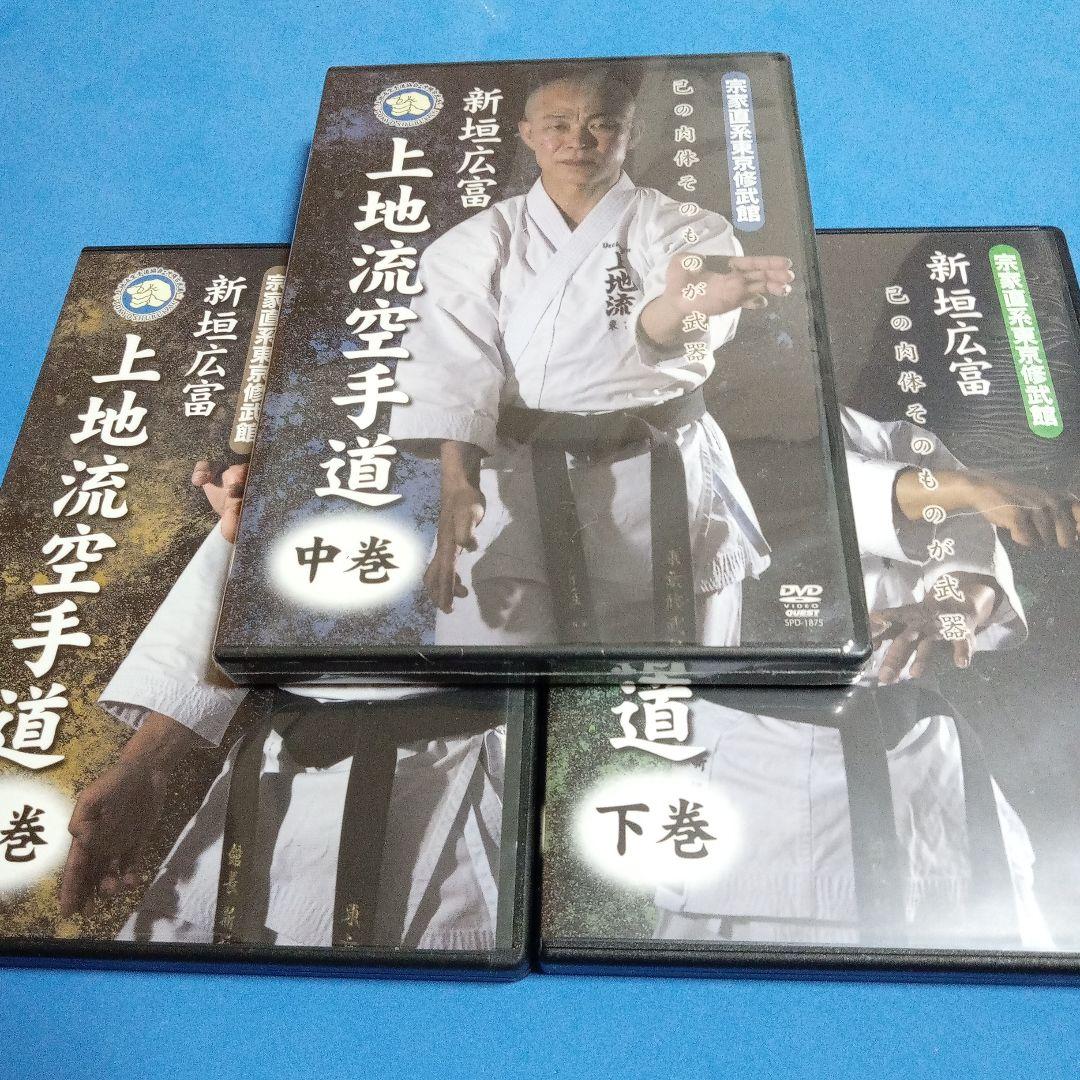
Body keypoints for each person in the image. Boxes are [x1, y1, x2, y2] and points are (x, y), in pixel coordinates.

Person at [388, 67, 796, 647]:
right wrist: (458, 484)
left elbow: (671, 328)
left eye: (601, 124)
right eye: (558, 125)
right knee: (498, 656)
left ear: (631, 132)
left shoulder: (685, 228)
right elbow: (453, 370)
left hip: (661, 467)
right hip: (524, 471)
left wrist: (683, 305)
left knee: (680, 669)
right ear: (528, 133)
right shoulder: (475, 243)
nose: (578, 140)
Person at [649, 407, 1080, 949]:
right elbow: (790, 487)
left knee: (976, 948)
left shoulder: (898, 439)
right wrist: (962, 489)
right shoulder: (672, 427)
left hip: (916, 755)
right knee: (755, 958)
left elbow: (967, 554)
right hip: (753, 763)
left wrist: (959, 602)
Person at [59, 463, 513, 951]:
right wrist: (146, 764)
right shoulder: (312, 437)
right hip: (283, 769)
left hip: (466, 773)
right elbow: (239, 604)